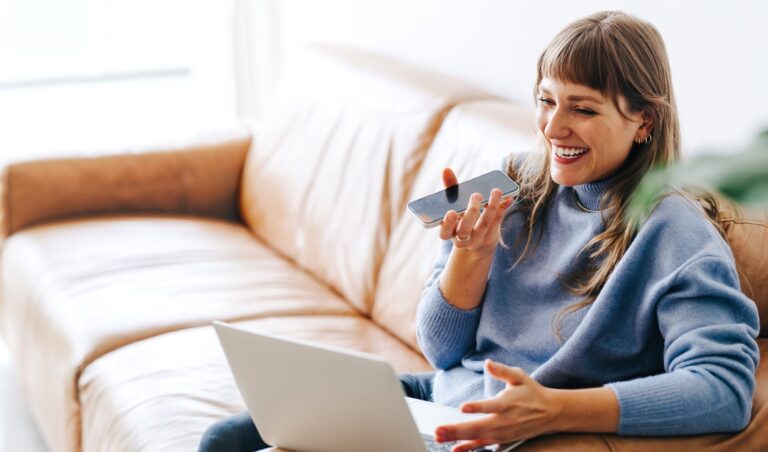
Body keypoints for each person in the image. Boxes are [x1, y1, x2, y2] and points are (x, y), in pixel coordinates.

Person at [199, 10, 759, 452]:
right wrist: (471, 256)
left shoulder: (676, 234)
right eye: (545, 101)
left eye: (583, 110)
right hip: (441, 396)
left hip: (495, 427)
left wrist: (556, 409)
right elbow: (441, 351)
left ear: (646, 122)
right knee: (225, 438)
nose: (554, 128)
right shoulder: (512, 179)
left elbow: (723, 388)